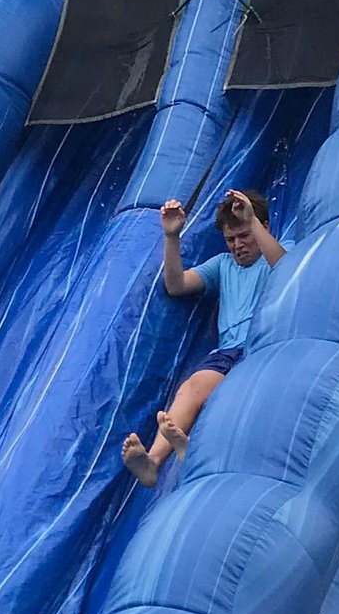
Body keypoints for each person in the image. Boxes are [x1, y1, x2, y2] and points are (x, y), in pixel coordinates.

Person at [122, 188, 288, 487]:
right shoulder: (223, 265)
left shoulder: (280, 251)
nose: (238, 245)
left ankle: (190, 449)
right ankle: (154, 460)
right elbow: (176, 285)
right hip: (229, 352)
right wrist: (172, 236)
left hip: (266, 344)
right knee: (193, 386)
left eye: (244, 236)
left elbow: (287, 269)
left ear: (263, 227)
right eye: (231, 239)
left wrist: (252, 220)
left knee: (220, 394)